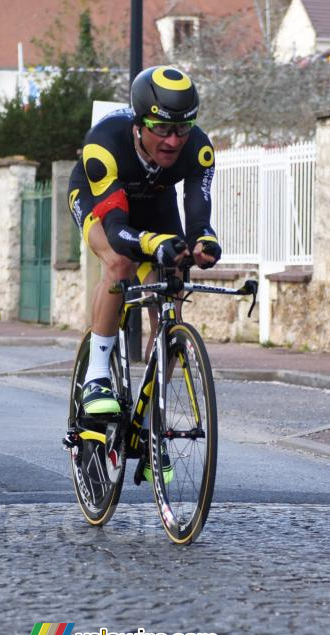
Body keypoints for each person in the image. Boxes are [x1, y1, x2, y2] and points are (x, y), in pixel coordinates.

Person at [68, 65, 222, 417]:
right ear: (139, 124)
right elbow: (117, 229)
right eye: (163, 128)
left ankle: (153, 415)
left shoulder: (198, 149)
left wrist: (203, 243)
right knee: (120, 263)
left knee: (173, 288)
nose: (173, 140)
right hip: (101, 201)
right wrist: (153, 245)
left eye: (183, 127)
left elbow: (198, 214)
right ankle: (96, 377)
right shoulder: (104, 145)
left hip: (155, 203)